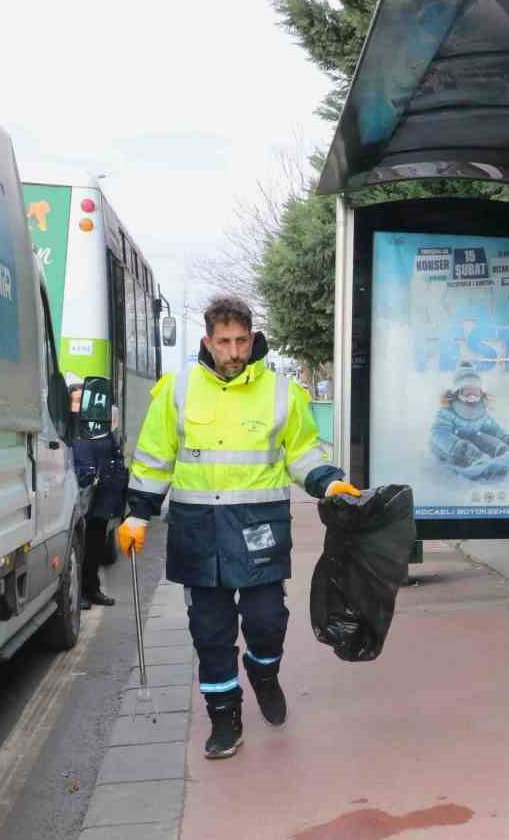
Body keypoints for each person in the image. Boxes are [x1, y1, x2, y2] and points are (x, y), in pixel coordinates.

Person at [120, 295, 360, 759]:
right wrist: (137, 513)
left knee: (268, 622)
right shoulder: (178, 390)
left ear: (253, 339)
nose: (234, 352)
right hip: (197, 531)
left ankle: (263, 673)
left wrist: (328, 483)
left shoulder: (282, 391)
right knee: (210, 633)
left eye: (242, 341)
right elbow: (154, 456)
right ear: (208, 342)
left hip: (259, 528)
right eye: (224, 342)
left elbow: (303, 452)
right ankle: (224, 718)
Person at [68, 383, 127, 608]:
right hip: (78, 495)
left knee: (95, 548)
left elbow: (115, 455)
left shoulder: (99, 427)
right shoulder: (66, 428)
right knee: (79, 549)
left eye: (82, 401)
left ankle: (92, 589)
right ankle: (79, 593)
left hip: (100, 496)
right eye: (75, 401)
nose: (78, 405)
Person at [429, 361, 509, 482]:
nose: (472, 397)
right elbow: (439, 432)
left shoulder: (480, 412)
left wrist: (505, 438)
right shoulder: (447, 412)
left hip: (470, 443)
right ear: (457, 392)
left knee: (481, 437)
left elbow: (493, 428)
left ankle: (502, 451)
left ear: (481, 393)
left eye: (475, 392)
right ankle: (474, 460)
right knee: (467, 447)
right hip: (447, 448)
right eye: (467, 392)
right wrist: (456, 446)